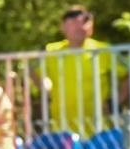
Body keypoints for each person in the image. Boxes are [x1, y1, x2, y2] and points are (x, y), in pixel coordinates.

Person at [41, 7, 117, 137]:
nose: (80, 27)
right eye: (74, 23)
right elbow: (33, 71)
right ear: (63, 27)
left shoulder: (103, 50)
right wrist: (46, 89)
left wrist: (114, 102)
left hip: (97, 131)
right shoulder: (51, 50)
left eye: (85, 22)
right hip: (62, 129)